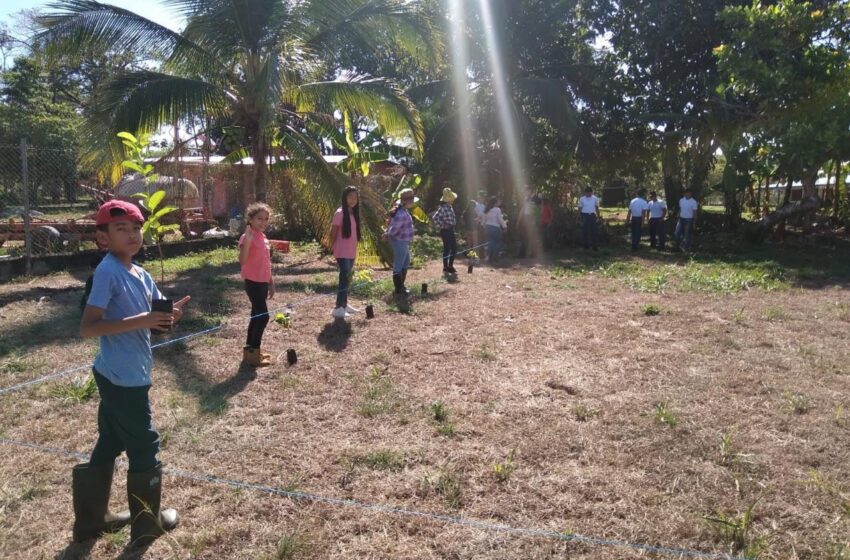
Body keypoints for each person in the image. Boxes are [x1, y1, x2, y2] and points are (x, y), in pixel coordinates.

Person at [77, 200, 190, 547]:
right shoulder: (108, 271)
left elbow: (155, 319)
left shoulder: (140, 273)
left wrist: (168, 317)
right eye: (121, 229)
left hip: (124, 371)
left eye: (136, 228)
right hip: (123, 378)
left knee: (111, 439)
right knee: (144, 444)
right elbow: (89, 327)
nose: (131, 235)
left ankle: (91, 520)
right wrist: (143, 320)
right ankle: (147, 524)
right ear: (103, 238)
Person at [239, 203, 275, 367]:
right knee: (263, 316)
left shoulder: (263, 237)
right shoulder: (247, 236)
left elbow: (267, 262)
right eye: (259, 218)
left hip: (262, 282)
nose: (263, 222)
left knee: (256, 316)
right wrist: (247, 241)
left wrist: (271, 283)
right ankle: (255, 350)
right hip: (252, 282)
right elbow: (243, 260)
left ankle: (250, 352)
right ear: (251, 219)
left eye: (266, 219)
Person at [330, 186, 362, 319]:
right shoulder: (340, 213)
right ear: (345, 198)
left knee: (347, 278)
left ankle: (344, 304)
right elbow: (333, 233)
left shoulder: (353, 213)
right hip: (342, 252)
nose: (353, 200)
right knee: (344, 278)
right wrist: (333, 249)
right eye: (350, 197)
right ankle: (338, 308)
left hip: (351, 252)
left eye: (355, 197)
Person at [385, 188, 417, 296]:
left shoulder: (403, 211)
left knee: (406, 262)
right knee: (398, 266)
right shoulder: (401, 214)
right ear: (407, 201)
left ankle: (401, 286)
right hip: (399, 242)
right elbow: (394, 229)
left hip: (404, 241)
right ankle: (398, 290)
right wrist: (387, 235)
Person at [431, 187, 459, 274]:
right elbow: (435, 218)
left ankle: (450, 265)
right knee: (447, 248)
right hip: (445, 230)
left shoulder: (450, 207)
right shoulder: (443, 208)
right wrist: (442, 225)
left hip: (451, 229)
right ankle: (445, 267)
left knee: (454, 248)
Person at [516, 190, 542, 258]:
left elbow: (539, 210)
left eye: (527, 190)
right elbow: (522, 210)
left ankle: (533, 254)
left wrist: (535, 219)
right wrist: (518, 221)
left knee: (532, 237)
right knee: (524, 237)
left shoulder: (536, 199)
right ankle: (522, 254)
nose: (525, 192)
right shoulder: (526, 199)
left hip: (531, 218)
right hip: (525, 219)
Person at [482, 196, 508, 263]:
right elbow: (500, 219)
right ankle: (495, 258)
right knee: (497, 243)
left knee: (490, 243)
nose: (499, 203)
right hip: (495, 228)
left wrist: (484, 227)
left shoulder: (486, 209)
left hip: (488, 227)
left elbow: (483, 220)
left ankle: (489, 257)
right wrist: (505, 226)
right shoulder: (497, 209)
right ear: (495, 203)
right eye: (498, 201)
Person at [675, 188, 700, 252]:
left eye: (689, 193)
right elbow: (680, 208)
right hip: (681, 219)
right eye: (686, 193)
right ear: (684, 194)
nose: (687, 194)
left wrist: (694, 223)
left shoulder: (693, 202)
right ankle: (677, 248)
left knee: (687, 235)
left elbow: (695, 213)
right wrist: (678, 215)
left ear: (691, 194)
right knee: (676, 233)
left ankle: (686, 249)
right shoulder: (681, 200)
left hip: (689, 220)